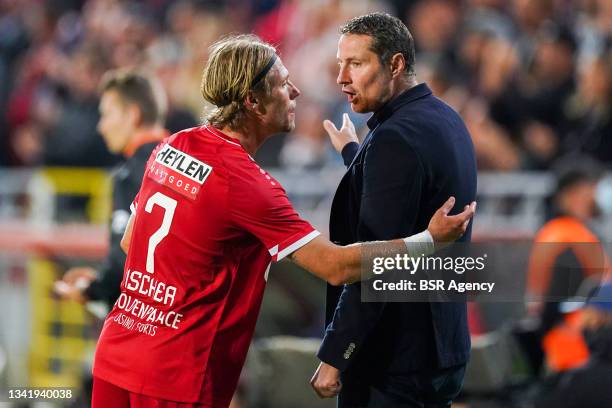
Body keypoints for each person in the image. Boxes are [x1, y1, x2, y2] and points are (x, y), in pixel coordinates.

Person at [90, 34, 476, 408]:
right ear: (253, 101)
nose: (295, 93)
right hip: (177, 372)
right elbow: (336, 267)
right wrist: (429, 239)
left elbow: (130, 245)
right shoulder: (248, 186)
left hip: (118, 350)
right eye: (283, 84)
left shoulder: (172, 144)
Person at [310, 13, 477, 407]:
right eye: (339, 63)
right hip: (442, 347)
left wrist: (337, 353)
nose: (341, 78)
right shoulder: (445, 118)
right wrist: (356, 153)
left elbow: (377, 262)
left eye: (356, 63)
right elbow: (406, 199)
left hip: (394, 362)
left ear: (396, 64)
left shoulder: (394, 138)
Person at [55, 69, 169, 309]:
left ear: (132, 115)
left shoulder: (130, 175)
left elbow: (123, 263)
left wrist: (91, 289)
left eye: (106, 115)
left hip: (144, 321)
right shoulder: (188, 162)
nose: (101, 126)